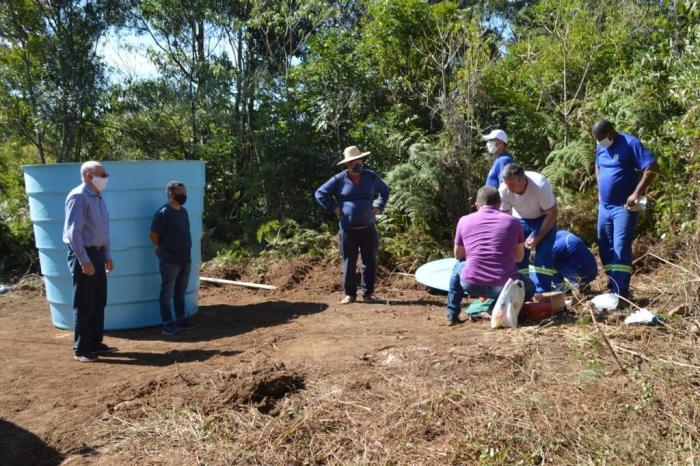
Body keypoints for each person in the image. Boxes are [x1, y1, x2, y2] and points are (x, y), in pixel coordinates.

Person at [445, 186, 534, 326]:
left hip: (471, 283)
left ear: (476, 205)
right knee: (530, 287)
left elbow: (458, 255)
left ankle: (451, 314)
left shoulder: (464, 220)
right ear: (499, 204)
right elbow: (519, 257)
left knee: (458, 267)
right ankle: (493, 310)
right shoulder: (514, 222)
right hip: (503, 285)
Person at [315, 145, 390, 304]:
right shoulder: (339, 179)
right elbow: (320, 193)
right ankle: (350, 295)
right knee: (349, 262)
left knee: (369, 261)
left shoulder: (371, 177)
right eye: (352, 163)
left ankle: (368, 294)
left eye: (358, 161)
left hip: (368, 227)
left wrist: (378, 207)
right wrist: (334, 208)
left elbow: (385, 191)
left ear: (361, 160)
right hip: (348, 229)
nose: (356, 165)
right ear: (347, 165)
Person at [592, 119, 658, 297]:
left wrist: (636, 193)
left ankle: (621, 291)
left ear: (611, 133)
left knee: (620, 246)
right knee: (605, 245)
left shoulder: (630, 143)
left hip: (624, 206)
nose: (600, 143)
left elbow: (651, 167)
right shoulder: (601, 145)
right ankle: (613, 281)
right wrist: (600, 187)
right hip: (604, 206)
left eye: (602, 139)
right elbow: (598, 165)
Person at [63, 161, 116, 362]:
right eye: (102, 174)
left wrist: (107, 255)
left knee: (98, 301)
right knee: (84, 303)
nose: (106, 177)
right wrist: (84, 260)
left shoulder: (98, 197)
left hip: (98, 253)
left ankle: (95, 343)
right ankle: (82, 349)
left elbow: (104, 230)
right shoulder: (78, 196)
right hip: (83, 254)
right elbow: (73, 232)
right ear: (88, 175)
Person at [499, 163, 558, 293]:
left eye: (512, 184)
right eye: (506, 184)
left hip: (544, 218)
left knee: (543, 257)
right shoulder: (504, 189)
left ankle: (542, 292)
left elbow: (553, 213)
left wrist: (537, 237)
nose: (508, 188)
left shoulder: (539, 186)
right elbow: (505, 218)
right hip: (520, 219)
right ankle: (522, 291)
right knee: (518, 257)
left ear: (522, 179)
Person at [149, 181, 195, 336]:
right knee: (167, 291)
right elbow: (153, 235)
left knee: (180, 290)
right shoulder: (163, 213)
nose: (184, 196)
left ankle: (180, 318)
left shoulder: (184, 212)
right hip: (170, 259)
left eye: (185, 192)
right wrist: (163, 248)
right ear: (171, 194)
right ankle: (167, 323)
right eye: (181, 193)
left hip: (185, 258)